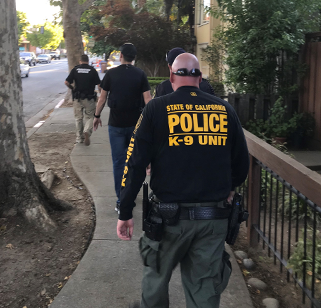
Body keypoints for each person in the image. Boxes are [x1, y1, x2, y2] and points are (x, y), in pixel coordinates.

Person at [117, 53, 250, 308]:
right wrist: (230, 188)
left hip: (168, 220)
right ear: (200, 78)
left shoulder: (155, 108)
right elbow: (241, 163)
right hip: (213, 219)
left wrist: (125, 211)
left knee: (155, 278)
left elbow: (134, 164)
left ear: (171, 76)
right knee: (205, 287)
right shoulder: (225, 110)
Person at [93, 43, 152, 213]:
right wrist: (151, 121)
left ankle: (121, 200)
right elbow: (148, 99)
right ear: (134, 58)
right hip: (136, 126)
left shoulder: (111, 74)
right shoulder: (140, 74)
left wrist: (96, 116)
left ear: (121, 56)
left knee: (119, 163)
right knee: (135, 162)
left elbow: (102, 98)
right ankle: (131, 195)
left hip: (116, 125)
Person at [65, 54, 101, 145]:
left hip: (77, 98)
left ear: (80, 61)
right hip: (89, 98)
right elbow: (99, 84)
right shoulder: (93, 70)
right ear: (88, 61)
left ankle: (79, 138)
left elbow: (66, 82)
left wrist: (72, 88)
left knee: (78, 118)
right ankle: (87, 131)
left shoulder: (75, 69)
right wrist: (100, 94)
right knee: (90, 116)